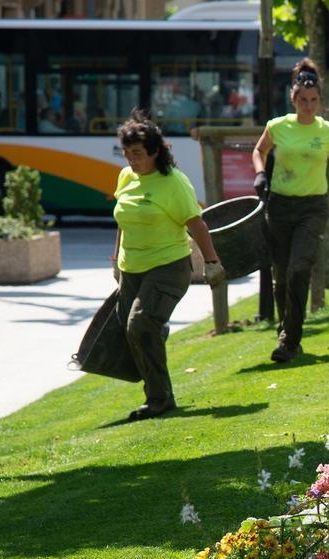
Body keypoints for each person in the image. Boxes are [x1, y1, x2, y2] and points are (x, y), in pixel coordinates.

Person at [251, 59, 329, 363]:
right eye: (302, 101)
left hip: (312, 208)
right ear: (293, 100)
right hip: (279, 205)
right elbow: (259, 150)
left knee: (299, 270)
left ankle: (289, 341)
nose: (308, 106)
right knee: (281, 276)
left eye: (313, 100)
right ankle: (287, 333)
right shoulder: (278, 126)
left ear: (320, 101)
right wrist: (260, 173)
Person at [111, 109, 225, 420]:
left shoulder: (173, 183)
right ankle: (157, 334)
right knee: (134, 330)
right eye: (127, 153)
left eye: (137, 153)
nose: (132, 160)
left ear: (155, 151)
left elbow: (196, 224)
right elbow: (123, 219)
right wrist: (115, 258)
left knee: (140, 325)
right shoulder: (126, 176)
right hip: (131, 267)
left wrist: (212, 262)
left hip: (168, 266)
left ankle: (159, 400)